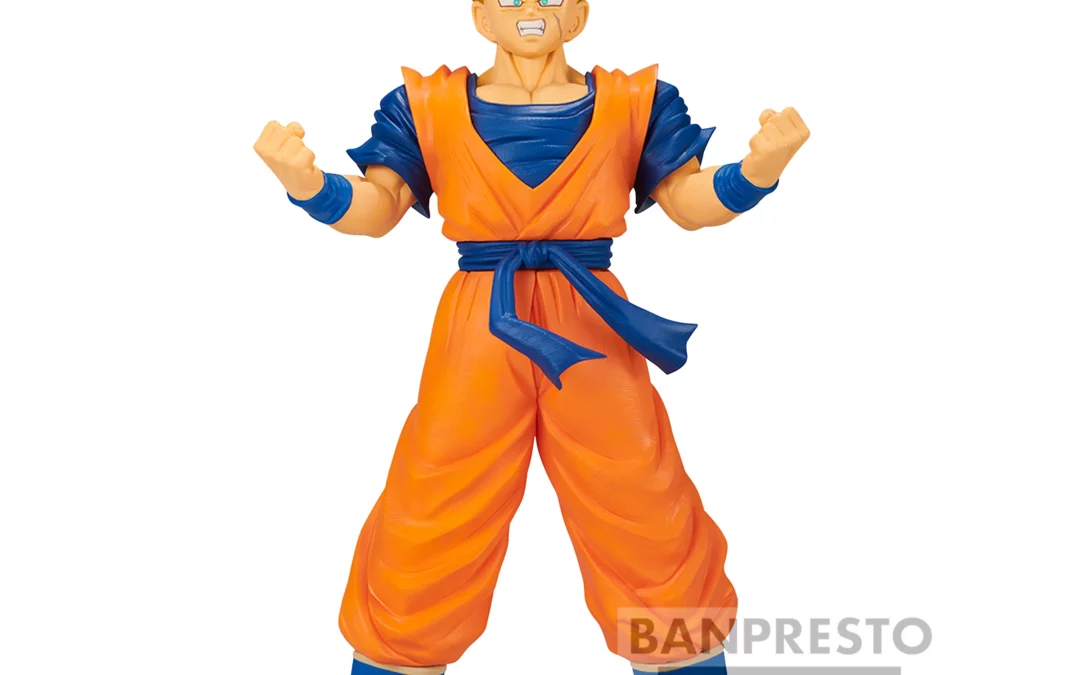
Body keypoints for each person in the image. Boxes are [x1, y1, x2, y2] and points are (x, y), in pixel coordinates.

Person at [253, 1, 810, 673]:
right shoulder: (424, 104)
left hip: (592, 316)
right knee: (437, 493)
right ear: (481, 15)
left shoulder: (638, 102)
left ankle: (680, 654)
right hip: (480, 322)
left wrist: (755, 173)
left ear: (578, 14)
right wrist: (310, 186)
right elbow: (380, 205)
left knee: (638, 491)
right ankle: (398, 656)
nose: (530, 8)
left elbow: (688, 201)